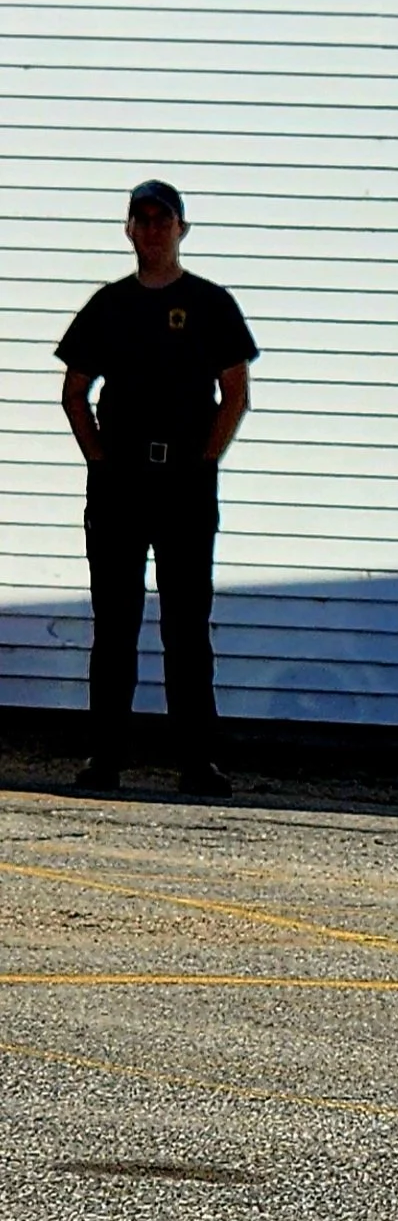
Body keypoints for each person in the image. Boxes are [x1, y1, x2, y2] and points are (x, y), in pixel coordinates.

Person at [58, 181, 256, 802]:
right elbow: (74, 390)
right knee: (115, 623)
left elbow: (236, 391)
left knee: (186, 626)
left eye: (162, 219)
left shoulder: (209, 303)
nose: (151, 229)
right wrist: (99, 458)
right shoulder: (109, 305)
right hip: (119, 486)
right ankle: (104, 759)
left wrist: (204, 460)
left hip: (184, 487)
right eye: (140, 219)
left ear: (181, 229)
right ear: (128, 230)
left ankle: (198, 763)